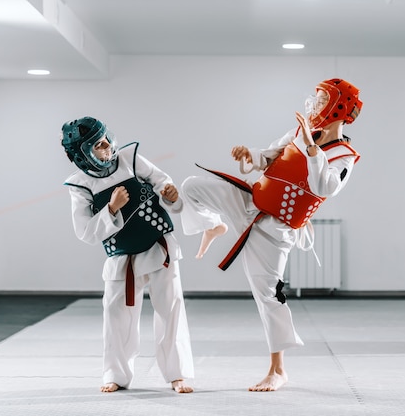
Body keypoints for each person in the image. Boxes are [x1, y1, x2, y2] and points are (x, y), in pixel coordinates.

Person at [179, 78, 362, 391]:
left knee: (268, 296)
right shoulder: (297, 132)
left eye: (321, 101)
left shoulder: (344, 156)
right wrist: (249, 156)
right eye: (315, 99)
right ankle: (213, 225)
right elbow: (269, 156)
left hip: (275, 229)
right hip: (250, 201)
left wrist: (311, 146)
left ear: (338, 108)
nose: (314, 106)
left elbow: (325, 187)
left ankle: (278, 370)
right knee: (191, 187)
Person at [61, 116, 194, 394]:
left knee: (170, 308)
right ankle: (115, 374)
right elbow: (85, 231)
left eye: (106, 138)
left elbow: (161, 181)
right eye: (98, 144)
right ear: (83, 155)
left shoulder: (129, 160)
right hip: (122, 256)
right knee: (115, 315)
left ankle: (176, 374)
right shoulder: (81, 185)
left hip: (158, 246)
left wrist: (169, 194)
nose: (108, 146)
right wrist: (111, 209)